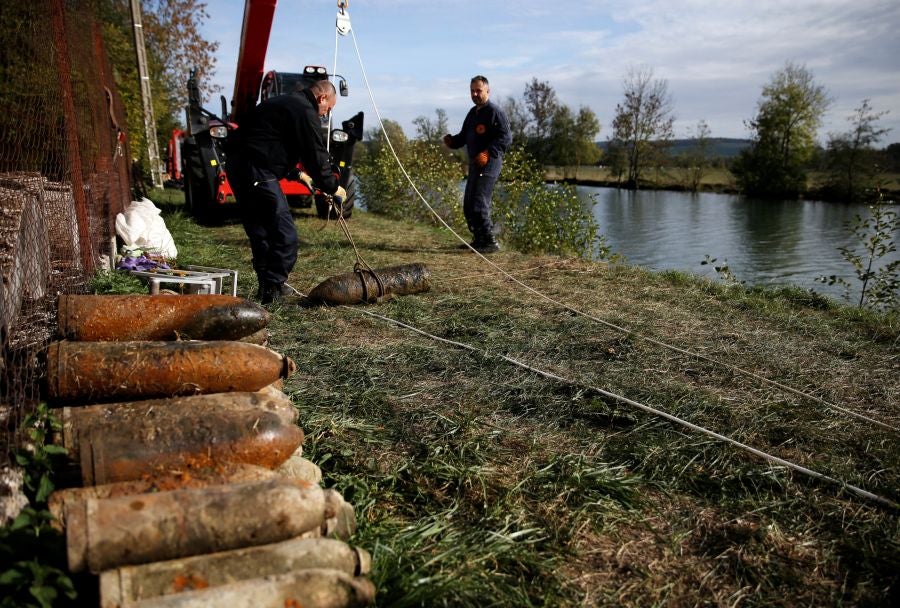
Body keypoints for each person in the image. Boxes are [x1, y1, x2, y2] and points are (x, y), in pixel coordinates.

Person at [227, 79, 347, 303]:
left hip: (241, 168)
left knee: (262, 232)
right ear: (322, 98)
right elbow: (315, 153)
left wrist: (298, 174)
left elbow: (270, 143)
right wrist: (332, 186)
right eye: (327, 109)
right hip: (256, 171)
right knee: (285, 235)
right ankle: (273, 289)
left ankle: (267, 289)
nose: (325, 115)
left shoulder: (286, 104)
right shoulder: (304, 110)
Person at [443, 75, 512, 253]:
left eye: (478, 90)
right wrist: (453, 142)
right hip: (475, 164)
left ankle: (490, 242)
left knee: (479, 201)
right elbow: (463, 137)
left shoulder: (495, 112)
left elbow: (505, 138)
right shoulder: (472, 114)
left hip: (490, 163)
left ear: (487, 91)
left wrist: (488, 153)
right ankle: (479, 240)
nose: (475, 94)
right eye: (472, 91)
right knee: (468, 204)